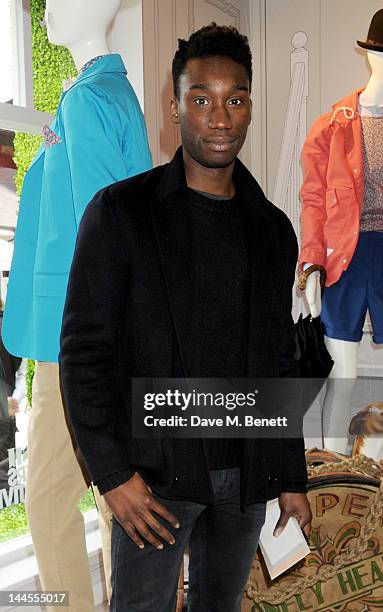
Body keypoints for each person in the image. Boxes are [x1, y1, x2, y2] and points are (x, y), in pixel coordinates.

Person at [60, 23, 311, 612]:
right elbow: (83, 352)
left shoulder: (274, 231)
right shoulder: (120, 214)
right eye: (201, 98)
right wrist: (112, 474)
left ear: (249, 108)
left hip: (244, 480)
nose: (219, 118)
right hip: (151, 480)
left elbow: (280, 361)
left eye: (235, 99)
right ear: (175, 107)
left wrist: (290, 474)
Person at [2, 1, 152, 609]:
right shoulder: (114, 93)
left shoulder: (87, 101)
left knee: (48, 496)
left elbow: (101, 228)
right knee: (114, 489)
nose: (46, 14)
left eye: (58, 1)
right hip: (106, 330)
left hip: (77, 333)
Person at [298, 9, 383, 454]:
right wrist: (311, 263)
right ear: (370, 56)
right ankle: (333, 467)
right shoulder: (332, 127)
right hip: (344, 257)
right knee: (342, 375)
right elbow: (313, 199)